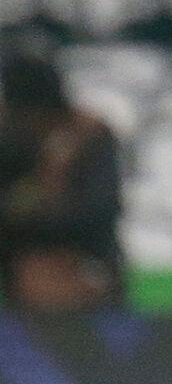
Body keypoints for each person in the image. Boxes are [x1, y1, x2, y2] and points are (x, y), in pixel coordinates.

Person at [0, 50, 124, 310]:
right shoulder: (11, 143)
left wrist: (30, 221)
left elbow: (97, 210)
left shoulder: (91, 137)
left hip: (87, 259)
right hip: (19, 269)